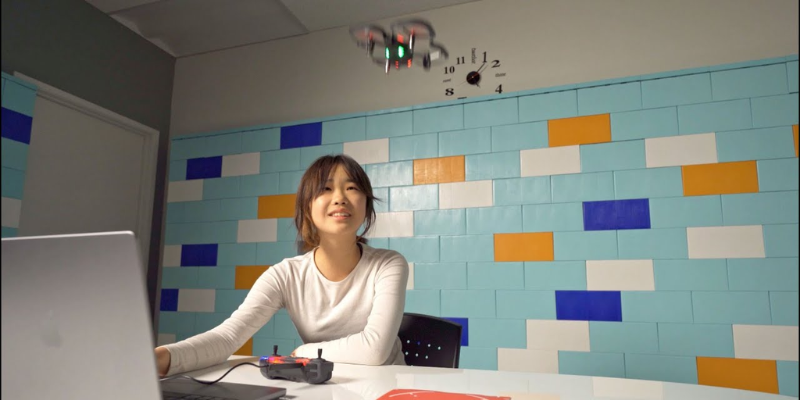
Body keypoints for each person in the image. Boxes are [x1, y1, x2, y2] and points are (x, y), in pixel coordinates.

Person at [154, 154, 410, 376]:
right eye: (326, 189)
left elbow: (374, 350)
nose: (340, 198)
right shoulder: (285, 275)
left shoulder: (389, 264)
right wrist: (163, 358)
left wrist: (303, 352)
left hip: (387, 387)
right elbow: (227, 338)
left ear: (366, 203)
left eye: (352, 188)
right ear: (307, 207)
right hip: (326, 386)